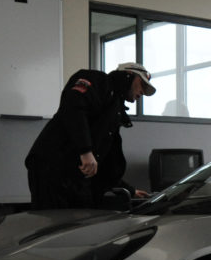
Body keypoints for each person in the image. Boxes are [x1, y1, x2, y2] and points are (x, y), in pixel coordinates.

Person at [25, 63, 156, 209]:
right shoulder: (96, 80)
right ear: (130, 75)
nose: (142, 93)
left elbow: (105, 160)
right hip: (52, 165)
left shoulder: (114, 109)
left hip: (76, 174)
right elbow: (74, 108)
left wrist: (130, 190)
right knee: (53, 221)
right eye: (142, 85)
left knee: (79, 222)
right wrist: (86, 151)